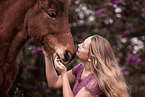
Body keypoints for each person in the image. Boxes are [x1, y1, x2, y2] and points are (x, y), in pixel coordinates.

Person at [42, 35, 130, 97]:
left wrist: (64, 74)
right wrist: (48, 57)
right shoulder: (81, 68)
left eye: (83, 46)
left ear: (91, 57)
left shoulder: (95, 84)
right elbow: (54, 82)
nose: (79, 45)